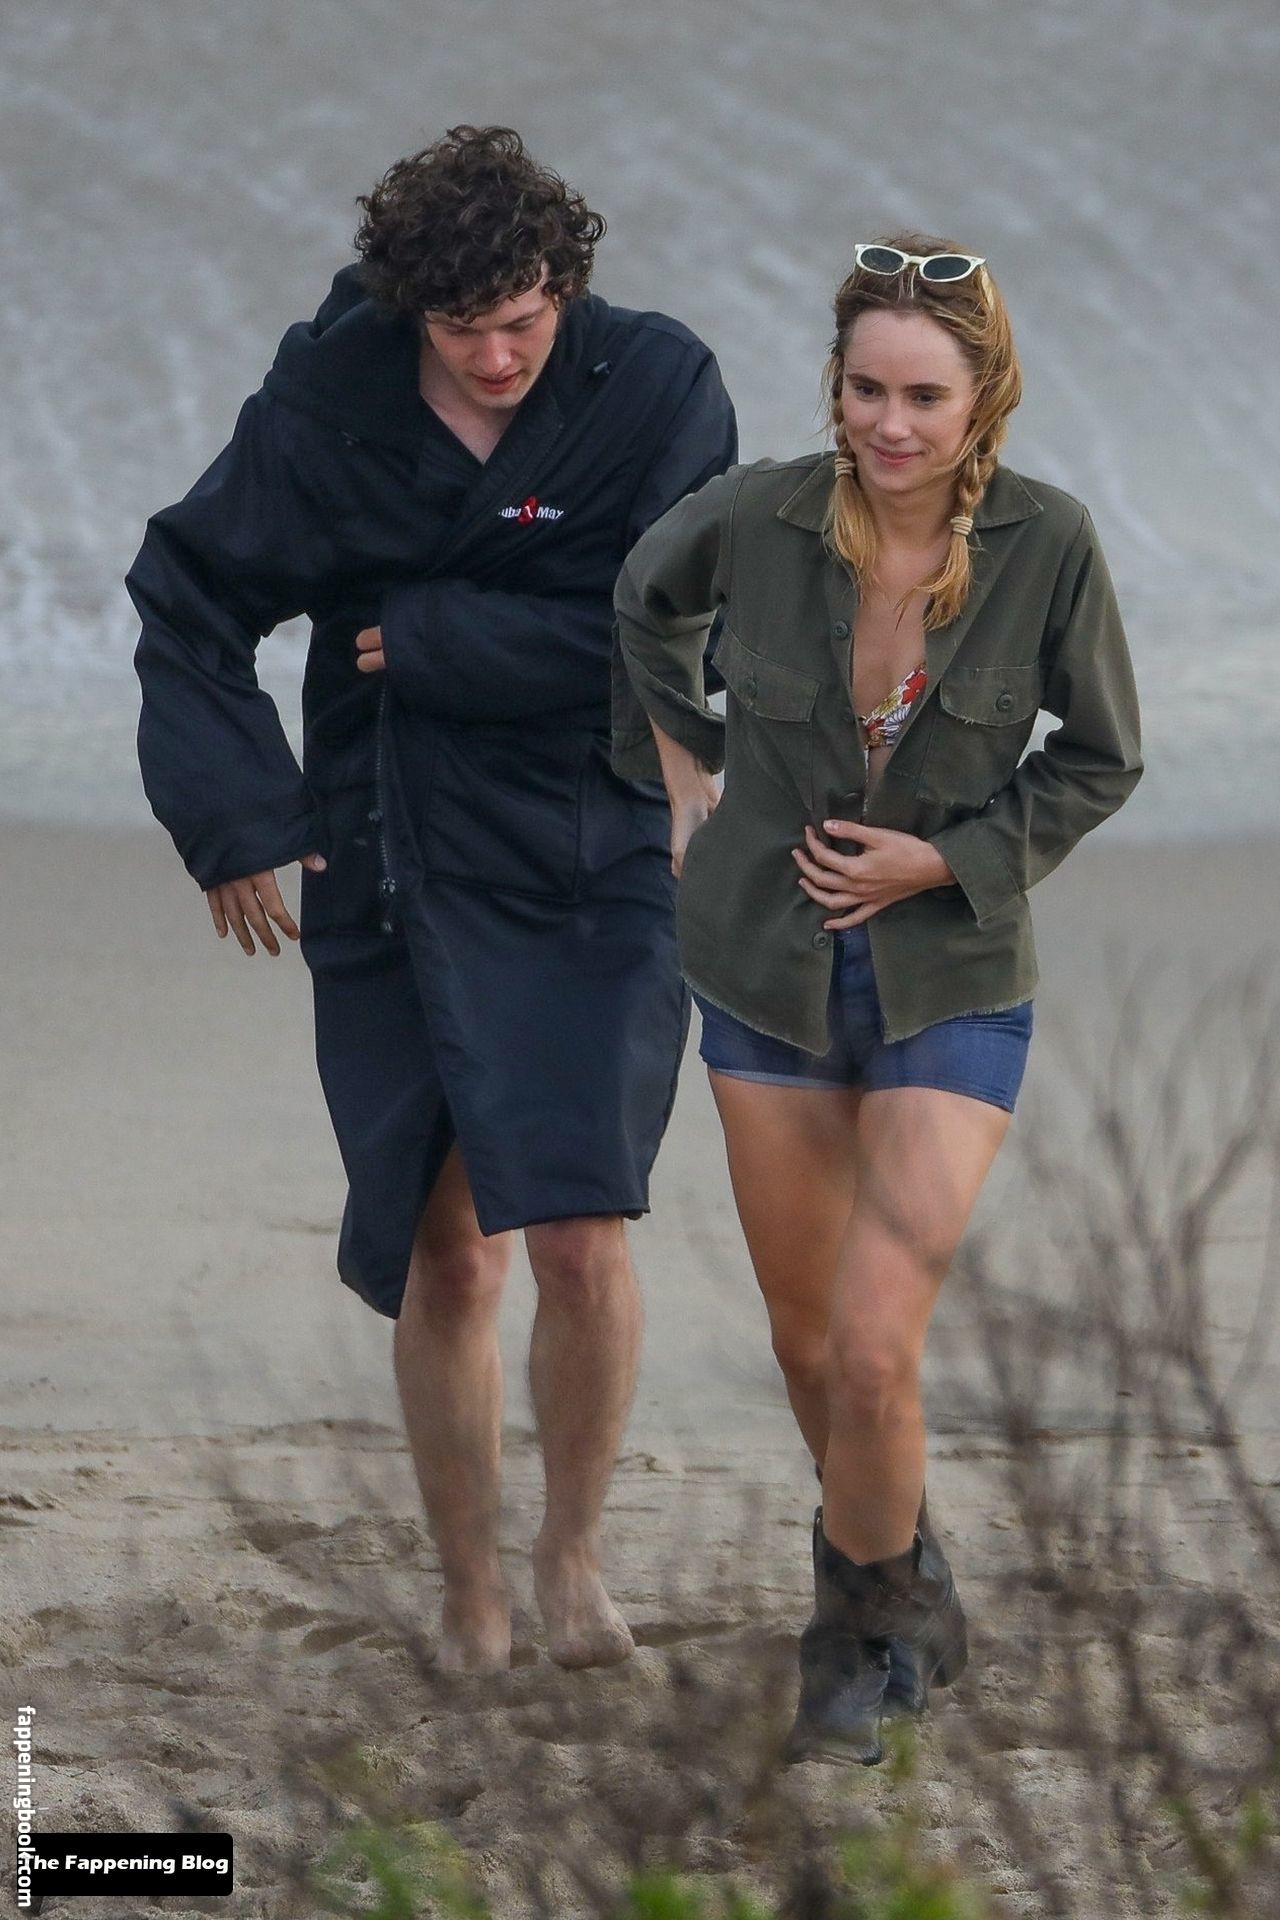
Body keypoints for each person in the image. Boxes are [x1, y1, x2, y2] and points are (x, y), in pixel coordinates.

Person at [128, 126, 737, 1675]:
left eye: (523, 321)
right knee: (446, 1249)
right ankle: (471, 1590)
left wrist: (437, 637)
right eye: (462, 330)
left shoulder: (659, 388)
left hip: (594, 847)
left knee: (583, 1228)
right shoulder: (330, 399)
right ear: (410, 311)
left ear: (567, 286)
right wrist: (235, 815)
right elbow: (187, 596)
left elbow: (685, 634)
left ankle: (572, 1561)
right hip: (386, 841)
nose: (496, 357)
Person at [612, 235, 1142, 1763]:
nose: (889, 424)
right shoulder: (759, 515)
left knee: (870, 1346)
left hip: (950, 978)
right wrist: (682, 767)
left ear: (983, 403)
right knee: (805, 1345)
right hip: (763, 968)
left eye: (923, 396)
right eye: (866, 389)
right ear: (835, 387)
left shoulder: (1050, 544)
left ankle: (850, 1646)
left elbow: (1101, 756)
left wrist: (945, 859)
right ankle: (908, 1581)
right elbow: (644, 602)